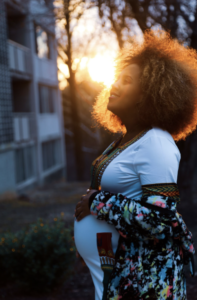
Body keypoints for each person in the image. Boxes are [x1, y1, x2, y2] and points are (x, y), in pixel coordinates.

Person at [73, 29, 196, 300]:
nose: (114, 85)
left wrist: (97, 203)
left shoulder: (156, 142)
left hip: (145, 282)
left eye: (126, 80)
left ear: (148, 93)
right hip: (120, 274)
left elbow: (159, 220)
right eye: (117, 77)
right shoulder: (125, 139)